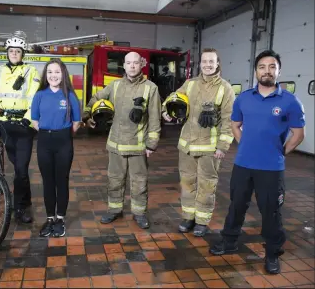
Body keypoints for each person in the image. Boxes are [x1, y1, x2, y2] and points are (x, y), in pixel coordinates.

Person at [209, 50, 305, 274]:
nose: (267, 71)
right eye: (262, 67)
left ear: (279, 71)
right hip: (243, 165)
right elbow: (235, 125)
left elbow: (298, 134)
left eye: (272, 67)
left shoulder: (290, 101)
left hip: (271, 169)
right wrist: (244, 144)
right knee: (236, 205)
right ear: (256, 71)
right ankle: (229, 241)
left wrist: (280, 153)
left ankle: (272, 253)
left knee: (271, 211)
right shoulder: (243, 98)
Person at [83, 51, 161, 229]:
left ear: (142, 64)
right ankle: (114, 210)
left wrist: (152, 144)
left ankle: (140, 213)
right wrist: (87, 114)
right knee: (114, 180)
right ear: (124, 66)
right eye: (128, 63)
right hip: (116, 145)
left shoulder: (151, 88)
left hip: (137, 146)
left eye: (135, 63)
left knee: (139, 182)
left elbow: (155, 118)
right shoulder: (114, 85)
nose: (132, 66)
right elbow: (96, 98)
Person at [162, 48, 235, 237]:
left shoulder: (225, 88)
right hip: (186, 146)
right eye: (204, 61)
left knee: (206, 185)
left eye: (211, 61)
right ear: (200, 64)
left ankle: (202, 221)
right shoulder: (190, 84)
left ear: (218, 63)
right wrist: (167, 112)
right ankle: (188, 217)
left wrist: (223, 146)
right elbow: (173, 98)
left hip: (209, 149)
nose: (208, 65)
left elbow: (229, 119)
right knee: (187, 184)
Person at [0, 30, 40, 223]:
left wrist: (27, 119)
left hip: (23, 126)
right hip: (4, 125)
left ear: (22, 54)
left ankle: (21, 207)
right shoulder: (0, 71)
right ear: (7, 53)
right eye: (11, 51)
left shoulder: (31, 71)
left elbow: (34, 98)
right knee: (13, 165)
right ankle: (19, 199)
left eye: (17, 51)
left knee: (21, 168)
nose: (14, 54)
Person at [31, 58, 81, 237]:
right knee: (48, 182)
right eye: (50, 72)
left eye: (57, 72)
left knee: (61, 180)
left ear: (63, 74)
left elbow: (76, 122)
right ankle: (50, 218)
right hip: (44, 141)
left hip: (64, 142)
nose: (53, 75)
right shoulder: (39, 95)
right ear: (46, 74)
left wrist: (62, 134)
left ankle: (60, 218)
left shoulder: (70, 96)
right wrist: (47, 132)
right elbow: (34, 120)